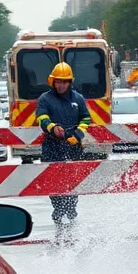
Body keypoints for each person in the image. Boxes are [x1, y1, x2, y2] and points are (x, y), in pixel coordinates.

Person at [36, 62, 92, 236]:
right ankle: (59, 212)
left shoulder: (78, 99)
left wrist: (79, 135)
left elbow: (86, 118)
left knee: (73, 181)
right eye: (58, 82)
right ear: (53, 81)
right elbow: (41, 117)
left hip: (73, 146)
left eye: (65, 82)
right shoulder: (45, 98)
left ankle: (71, 211)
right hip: (52, 146)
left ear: (70, 82)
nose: (61, 85)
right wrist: (52, 127)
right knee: (54, 181)